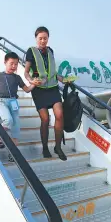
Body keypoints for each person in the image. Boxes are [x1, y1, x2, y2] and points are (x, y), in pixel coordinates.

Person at [24, 26, 71, 161]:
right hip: (39, 90)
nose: (43, 41)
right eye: (40, 38)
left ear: (48, 39)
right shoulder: (31, 51)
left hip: (53, 88)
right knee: (45, 119)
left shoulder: (51, 51)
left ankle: (58, 147)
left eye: (45, 38)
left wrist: (64, 80)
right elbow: (26, 72)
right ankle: (45, 147)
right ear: (36, 39)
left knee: (60, 115)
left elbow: (53, 72)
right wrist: (32, 81)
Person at [0, 52, 36, 160]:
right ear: (5, 62)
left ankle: (12, 154)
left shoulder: (17, 77)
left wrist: (34, 84)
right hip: (2, 101)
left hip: (14, 102)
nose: (14, 66)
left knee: (16, 128)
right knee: (8, 120)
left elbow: (27, 90)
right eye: (11, 63)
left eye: (16, 64)